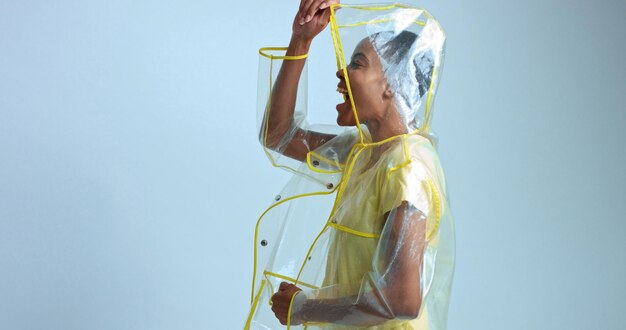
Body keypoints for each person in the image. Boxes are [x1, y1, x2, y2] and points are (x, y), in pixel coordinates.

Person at [245, 1, 454, 329]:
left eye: (357, 63)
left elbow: (402, 299)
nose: (341, 71)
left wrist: (302, 308)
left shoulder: (406, 167)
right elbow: (278, 135)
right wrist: (301, 41)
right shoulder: (364, 150)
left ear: (391, 85)